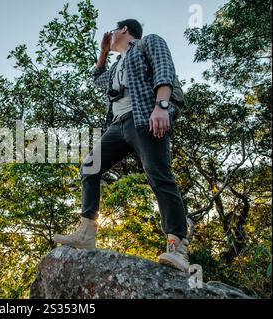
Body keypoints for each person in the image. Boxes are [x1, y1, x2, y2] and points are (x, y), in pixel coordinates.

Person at [53, 19, 190, 272]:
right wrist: (103, 52)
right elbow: (97, 79)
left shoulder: (148, 42)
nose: (110, 34)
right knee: (90, 167)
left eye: (113, 31)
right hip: (118, 125)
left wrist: (161, 107)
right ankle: (86, 234)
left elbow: (164, 69)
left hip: (145, 117)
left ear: (124, 30)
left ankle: (177, 247)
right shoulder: (117, 64)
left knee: (159, 176)